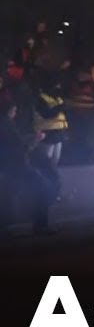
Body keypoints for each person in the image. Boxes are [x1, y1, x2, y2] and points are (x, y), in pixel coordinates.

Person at [0, 95, 55, 237]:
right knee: (41, 187)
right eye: (14, 110)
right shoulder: (6, 125)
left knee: (7, 195)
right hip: (18, 166)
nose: (15, 113)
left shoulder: (5, 124)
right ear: (8, 110)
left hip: (7, 166)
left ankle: (4, 227)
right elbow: (20, 147)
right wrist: (36, 139)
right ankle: (40, 226)